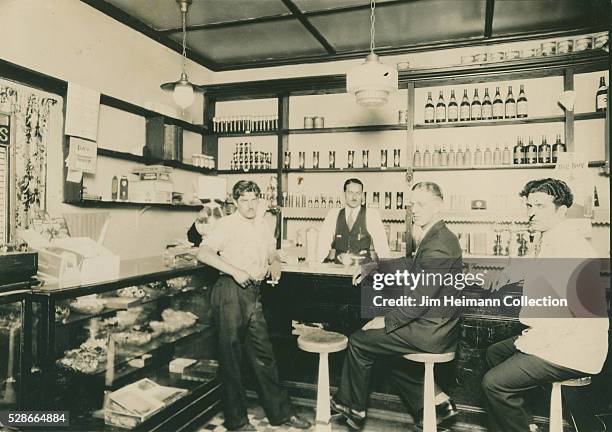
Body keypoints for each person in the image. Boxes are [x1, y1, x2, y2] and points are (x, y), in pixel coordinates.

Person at [331, 182, 462, 431]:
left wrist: (387, 320)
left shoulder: (439, 241)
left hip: (431, 331)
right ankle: (438, 404)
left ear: (439, 205)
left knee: (361, 340)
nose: (414, 209)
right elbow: (412, 264)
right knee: (388, 353)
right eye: (413, 204)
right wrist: (374, 265)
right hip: (437, 327)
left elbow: (419, 300)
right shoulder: (439, 235)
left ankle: (352, 408)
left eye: (421, 204)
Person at [482, 178, 609, 432]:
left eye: (540, 206)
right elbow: (531, 264)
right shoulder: (549, 238)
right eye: (529, 205)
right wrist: (505, 274)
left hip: (574, 346)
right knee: (494, 353)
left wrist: (526, 344)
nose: (531, 212)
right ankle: (524, 423)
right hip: (558, 336)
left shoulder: (570, 248)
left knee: (494, 383)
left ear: (561, 211)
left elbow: (569, 318)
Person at [197, 180, 310, 431]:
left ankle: (281, 413)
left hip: (253, 293)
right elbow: (203, 253)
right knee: (231, 358)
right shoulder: (226, 224)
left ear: (259, 200)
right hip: (229, 291)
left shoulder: (262, 223)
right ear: (235, 202)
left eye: (253, 199)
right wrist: (235, 271)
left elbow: (270, 249)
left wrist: (274, 261)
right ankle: (237, 422)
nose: (249, 205)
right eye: (244, 200)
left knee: (264, 356)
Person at [316, 178, 391, 263]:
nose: (354, 197)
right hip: (338, 270)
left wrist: (387, 269)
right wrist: (318, 265)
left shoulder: (371, 214)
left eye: (358, 193)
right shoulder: (333, 214)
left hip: (363, 271)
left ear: (362, 195)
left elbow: (382, 246)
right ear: (344, 194)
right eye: (350, 193)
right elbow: (322, 244)